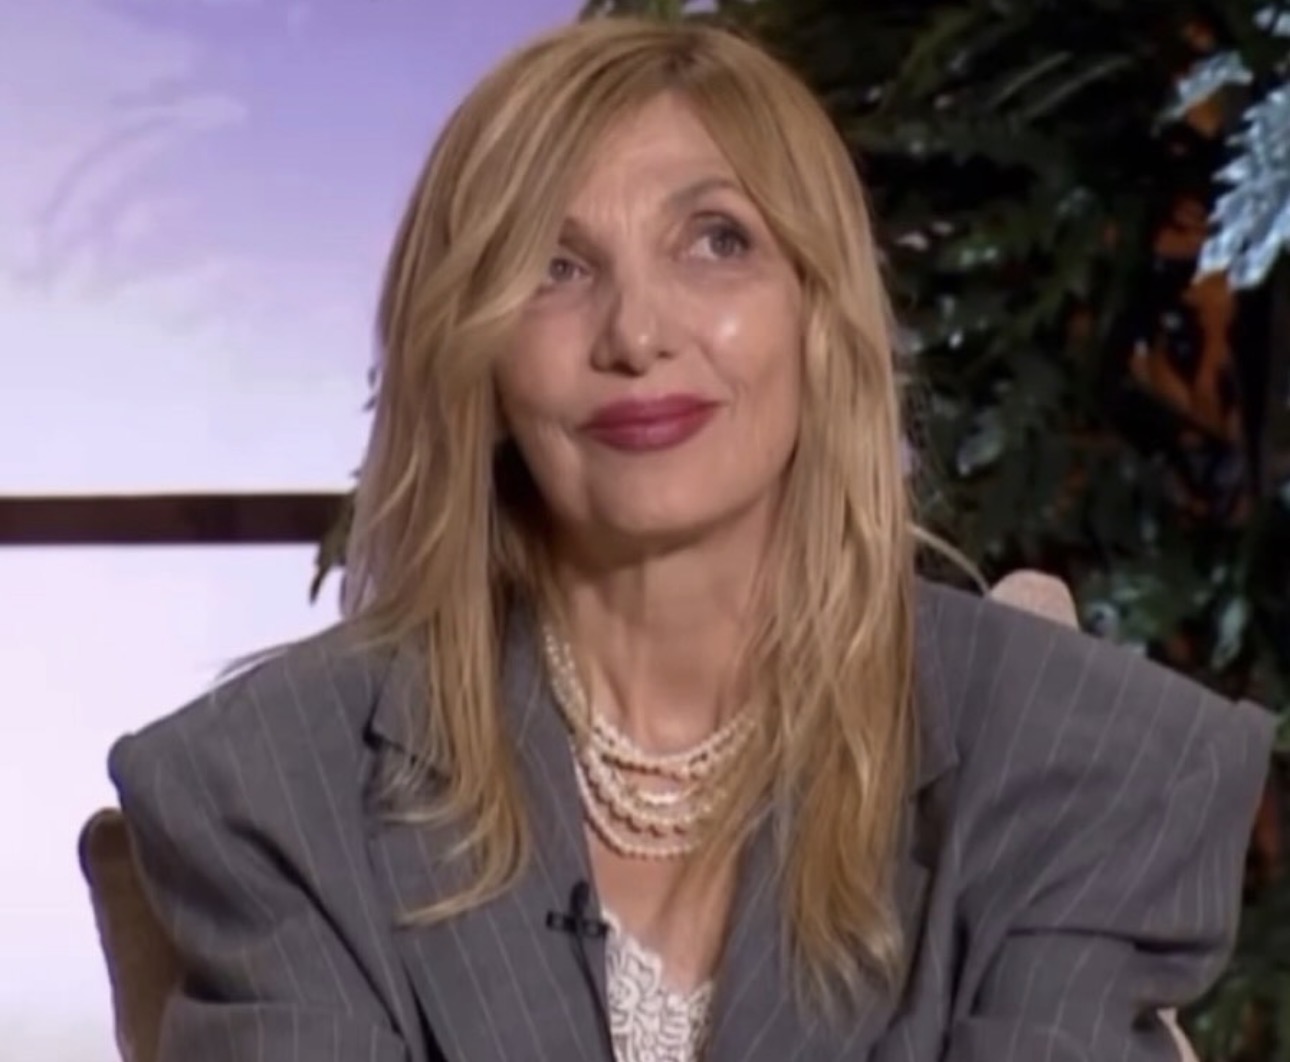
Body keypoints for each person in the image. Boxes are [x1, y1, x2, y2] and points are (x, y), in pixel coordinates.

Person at [108, 16, 1274, 1062]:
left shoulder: (1079, 763)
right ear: (474, 359)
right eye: (556, 267)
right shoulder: (272, 790)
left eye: (716, 241)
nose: (636, 332)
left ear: (821, 316)